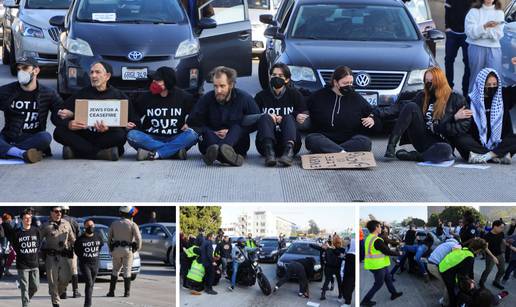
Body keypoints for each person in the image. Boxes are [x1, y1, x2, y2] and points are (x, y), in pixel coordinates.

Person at [383, 67, 469, 162]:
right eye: (426, 81)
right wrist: (376, 114)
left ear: (439, 81)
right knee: (411, 106)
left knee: (446, 150)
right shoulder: (422, 96)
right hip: (422, 137)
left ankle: (417, 156)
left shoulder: (456, 99)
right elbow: (401, 107)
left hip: (442, 142)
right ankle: (391, 146)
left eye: (431, 81)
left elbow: (463, 126)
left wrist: (453, 118)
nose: (428, 84)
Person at [53, 61, 128, 160]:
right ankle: (101, 153)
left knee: (120, 135)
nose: (93, 75)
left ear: (107, 76)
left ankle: (76, 152)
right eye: (91, 72)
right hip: (83, 136)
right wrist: (69, 123)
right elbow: (55, 115)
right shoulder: (81, 94)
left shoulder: (119, 96)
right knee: (59, 132)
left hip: (104, 137)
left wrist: (123, 126)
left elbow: (134, 121)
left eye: (97, 72)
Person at [188, 66, 260, 166]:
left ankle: (220, 153)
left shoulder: (244, 98)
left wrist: (231, 132)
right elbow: (193, 121)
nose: (218, 90)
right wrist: (211, 131)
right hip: (211, 141)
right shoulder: (207, 99)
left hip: (236, 143)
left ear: (231, 85)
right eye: (215, 86)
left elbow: (256, 120)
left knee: (237, 128)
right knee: (206, 132)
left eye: (222, 86)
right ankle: (226, 156)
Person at [0, 57, 64, 163]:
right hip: (9, 136)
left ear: (36, 70)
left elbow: (60, 111)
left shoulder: (48, 93)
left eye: (25, 68)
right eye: (19, 69)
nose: (21, 72)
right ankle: (23, 154)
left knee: (46, 137)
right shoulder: (6, 91)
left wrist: (64, 115)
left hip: (33, 137)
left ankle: (8, 151)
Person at [127, 67, 198, 161]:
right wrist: (130, 124)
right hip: (151, 137)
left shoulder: (184, 97)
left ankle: (154, 153)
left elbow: (197, 113)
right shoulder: (146, 97)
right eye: (153, 80)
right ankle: (174, 152)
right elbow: (135, 115)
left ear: (168, 82)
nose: (154, 83)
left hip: (175, 137)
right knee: (132, 135)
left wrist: (189, 123)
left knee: (193, 135)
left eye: (158, 80)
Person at [305, 66, 381, 154]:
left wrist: (372, 119)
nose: (349, 86)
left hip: (349, 141)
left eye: (351, 83)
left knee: (365, 142)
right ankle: (341, 152)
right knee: (311, 139)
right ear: (335, 82)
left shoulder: (357, 98)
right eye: (345, 83)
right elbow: (301, 107)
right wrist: (301, 114)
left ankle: (335, 151)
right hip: (324, 139)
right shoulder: (319, 96)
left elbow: (374, 115)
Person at [454, 69, 516, 163]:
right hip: (477, 144)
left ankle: (487, 156)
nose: (492, 87)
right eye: (488, 85)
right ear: (481, 85)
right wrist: (456, 117)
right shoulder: (470, 101)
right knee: (458, 137)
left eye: (495, 85)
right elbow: (456, 125)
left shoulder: (503, 96)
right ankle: (498, 155)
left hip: (500, 143)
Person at [254, 63, 308, 166]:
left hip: (290, 143)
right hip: (265, 145)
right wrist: (266, 117)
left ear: (287, 79)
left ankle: (288, 153)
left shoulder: (295, 94)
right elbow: (251, 118)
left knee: (288, 117)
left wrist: (295, 116)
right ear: (270, 77)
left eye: (280, 76)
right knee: (265, 116)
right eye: (274, 75)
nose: (276, 78)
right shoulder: (261, 96)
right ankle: (270, 153)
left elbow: (306, 120)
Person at [464, 0, 505, 93]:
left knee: (494, 79)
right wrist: (485, 26)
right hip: (476, 47)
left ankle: (493, 105)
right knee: (476, 78)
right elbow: (470, 32)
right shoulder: (473, 11)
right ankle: (473, 105)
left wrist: (481, 31)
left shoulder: (499, 13)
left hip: (494, 49)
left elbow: (497, 35)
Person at [361, 220, 403, 307]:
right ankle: (365, 301)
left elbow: (382, 250)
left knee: (388, 278)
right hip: (377, 266)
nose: (381, 228)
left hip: (378, 264)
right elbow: (387, 251)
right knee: (378, 284)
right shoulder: (377, 240)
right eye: (380, 226)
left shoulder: (369, 237)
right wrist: (399, 253)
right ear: (376, 228)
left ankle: (394, 293)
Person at [40, 206, 76, 307]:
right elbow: (38, 239)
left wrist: (78, 245)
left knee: (66, 279)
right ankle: (56, 302)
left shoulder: (67, 224)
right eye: (56, 211)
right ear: (51, 213)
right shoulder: (46, 226)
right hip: (51, 257)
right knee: (52, 281)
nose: (59, 213)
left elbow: (72, 239)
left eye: (60, 211)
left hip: (64, 256)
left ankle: (54, 293)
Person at [439, 237, 488, 307]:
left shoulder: (464, 250)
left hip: (443, 267)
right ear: (479, 250)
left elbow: (469, 270)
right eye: (481, 251)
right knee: (452, 292)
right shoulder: (469, 257)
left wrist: (471, 279)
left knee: (455, 288)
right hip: (446, 272)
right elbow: (462, 275)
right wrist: (469, 284)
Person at [106, 206, 142, 298]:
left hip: (116, 250)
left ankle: (111, 292)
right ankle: (127, 293)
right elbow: (139, 239)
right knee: (127, 271)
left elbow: (109, 238)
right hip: (127, 250)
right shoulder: (133, 225)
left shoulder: (114, 224)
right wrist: (136, 248)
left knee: (115, 270)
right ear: (129, 214)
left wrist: (111, 249)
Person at [12, 209, 40, 307]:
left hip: (34, 263)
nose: (28, 220)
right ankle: (25, 305)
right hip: (22, 264)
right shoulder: (17, 233)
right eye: (26, 218)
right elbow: (15, 246)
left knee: (36, 286)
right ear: (22, 220)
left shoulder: (35, 230)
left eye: (30, 218)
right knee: (24, 287)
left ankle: (27, 300)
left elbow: (38, 243)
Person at [444, 0, 473, 96]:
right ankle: (448, 88)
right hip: (452, 33)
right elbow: (447, 10)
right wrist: (447, 27)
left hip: (467, 34)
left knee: (468, 63)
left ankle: (465, 90)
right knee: (448, 60)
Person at [74, 219, 103, 307]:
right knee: (89, 282)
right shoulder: (80, 239)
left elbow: (100, 247)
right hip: (85, 264)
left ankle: (87, 302)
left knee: (91, 285)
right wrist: (84, 258)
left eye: (92, 225)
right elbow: (77, 251)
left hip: (95, 264)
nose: (91, 227)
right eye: (88, 226)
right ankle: (88, 304)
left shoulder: (98, 236)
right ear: (85, 227)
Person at [427, 237, 461, 306]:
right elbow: (456, 257)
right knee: (448, 284)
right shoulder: (455, 244)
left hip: (430, 264)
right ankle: (444, 302)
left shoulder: (446, 243)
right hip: (434, 265)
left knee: (446, 282)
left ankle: (445, 297)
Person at [310, 236, 346, 300]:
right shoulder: (342, 250)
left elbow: (319, 248)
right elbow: (343, 257)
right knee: (339, 281)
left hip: (328, 267)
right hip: (337, 268)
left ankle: (323, 294)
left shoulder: (329, 248)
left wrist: (311, 245)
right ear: (340, 243)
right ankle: (340, 294)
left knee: (326, 281)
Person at [479, 220, 506, 289]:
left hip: (500, 254)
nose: (502, 229)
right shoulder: (487, 236)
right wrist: (493, 257)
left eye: (503, 228)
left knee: (502, 270)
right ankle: (481, 282)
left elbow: (503, 241)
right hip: (490, 256)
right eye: (501, 227)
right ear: (495, 227)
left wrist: (509, 244)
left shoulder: (501, 233)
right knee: (488, 270)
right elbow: (486, 248)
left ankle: (496, 281)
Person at [61, 205, 81, 299]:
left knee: (62, 271)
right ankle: (75, 291)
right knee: (74, 270)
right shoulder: (73, 220)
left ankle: (63, 292)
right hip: (72, 248)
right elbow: (78, 234)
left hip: (60, 249)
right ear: (68, 211)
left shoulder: (56, 221)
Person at [340, 238, 355, 307]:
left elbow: (349, 260)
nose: (344, 243)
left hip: (351, 274)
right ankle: (344, 299)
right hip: (346, 272)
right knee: (344, 286)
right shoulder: (348, 250)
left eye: (347, 242)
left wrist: (344, 257)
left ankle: (347, 303)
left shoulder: (353, 254)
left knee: (349, 288)